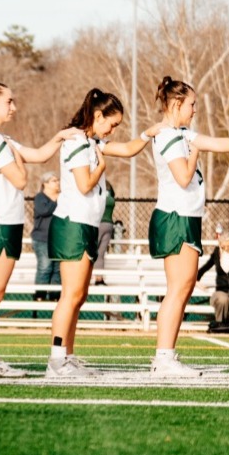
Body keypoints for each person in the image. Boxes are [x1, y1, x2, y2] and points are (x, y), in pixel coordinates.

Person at [143, 76, 229, 377]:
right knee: (179, 289)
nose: (194, 109)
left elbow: (218, 143)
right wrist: (195, 147)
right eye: (191, 104)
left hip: (186, 218)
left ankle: (166, 355)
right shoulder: (171, 137)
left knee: (182, 289)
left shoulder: (181, 134)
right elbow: (184, 177)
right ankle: (163, 357)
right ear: (175, 104)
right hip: (175, 218)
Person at [45, 89, 155, 379]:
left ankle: (67, 355)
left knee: (79, 296)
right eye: (111, 123)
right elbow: (83, 185)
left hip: (86, 224)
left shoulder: (92, 142)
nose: (113, 130)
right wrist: (102, 167)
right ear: (97, 116)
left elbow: (130, 149)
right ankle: (56, 361)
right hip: (73, 224)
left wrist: (148, 133)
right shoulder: (79, 143)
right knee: (71, 295)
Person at [0, 82, 70, 377]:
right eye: (8, 102)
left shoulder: (2, 138)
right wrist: (17, 158)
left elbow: (38, 155)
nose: (14, 107)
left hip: (6, 222)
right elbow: (21, 179)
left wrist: (62, 136)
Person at [32, 174, 60, 293]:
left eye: (58, 180)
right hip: (43, 239)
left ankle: (55, 295)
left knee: (57, 269)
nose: (57, 182)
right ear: (45, 183)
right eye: (54, 180)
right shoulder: (40, 197)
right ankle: (40, 295)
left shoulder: (63, 197)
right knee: (45, 268)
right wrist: (55, 200)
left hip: (59, 239)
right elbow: (44, 210)